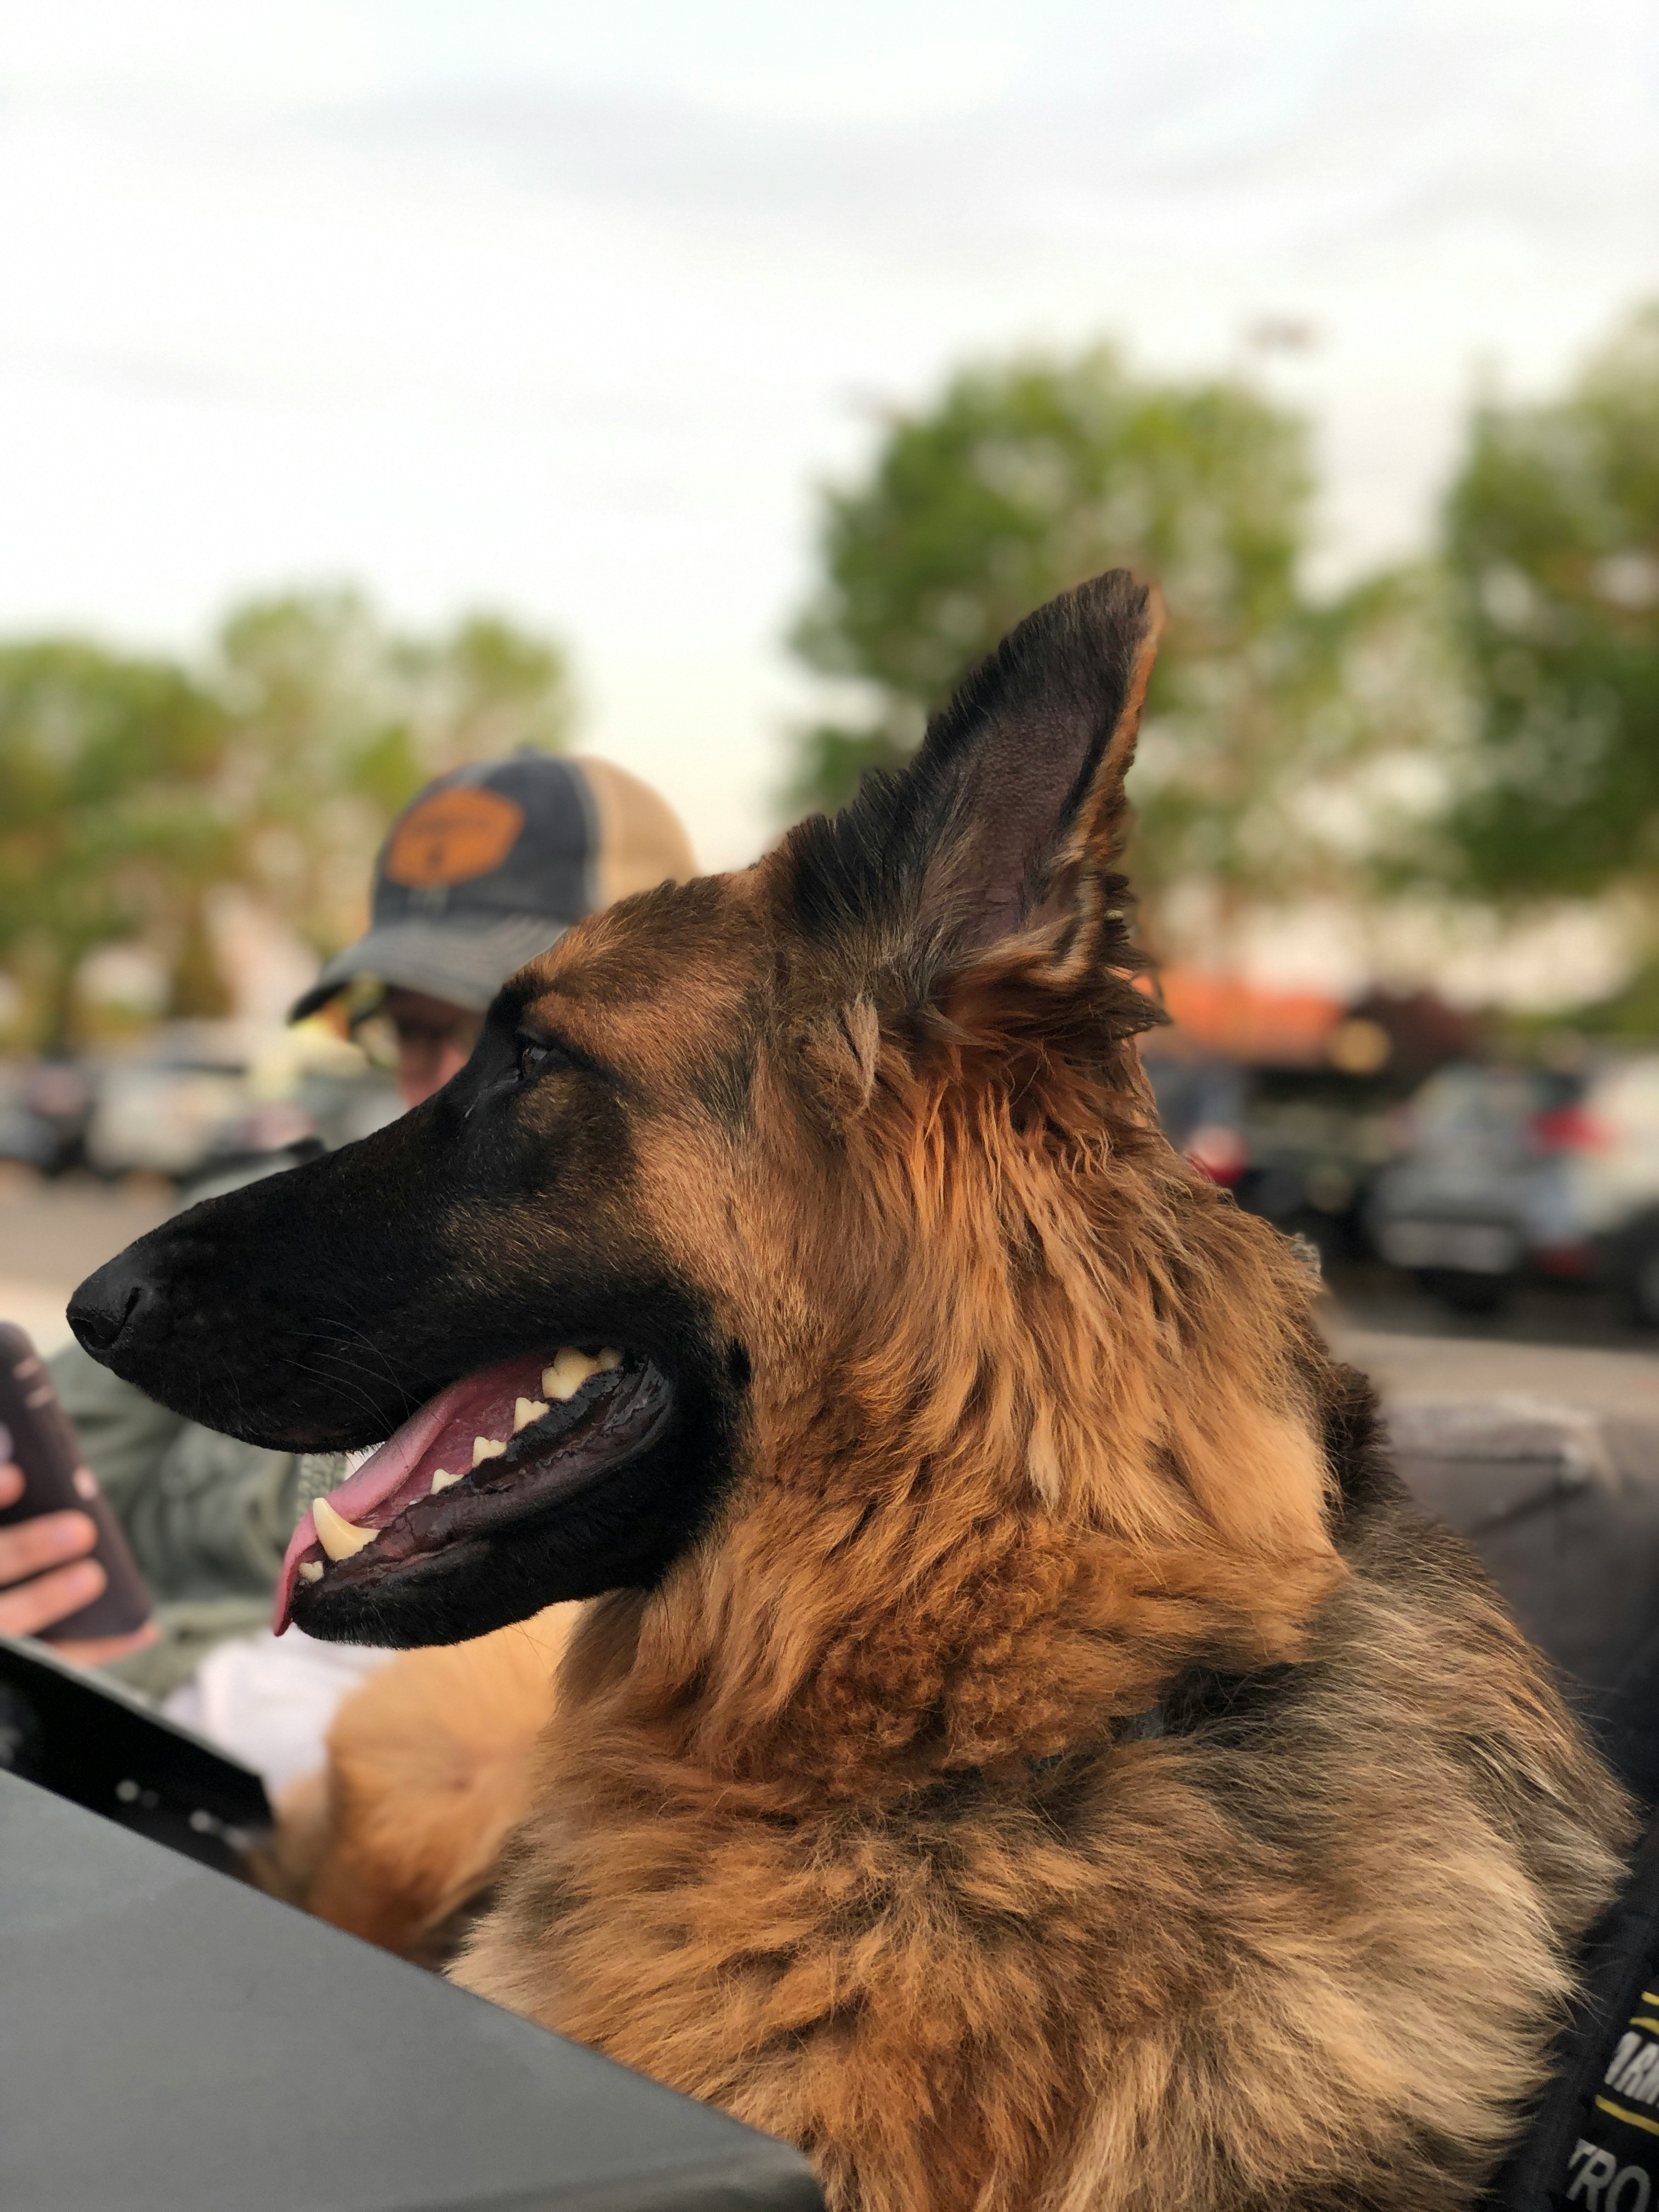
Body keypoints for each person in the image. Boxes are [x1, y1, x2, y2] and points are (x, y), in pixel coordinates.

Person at [1, 752, 695, 1729]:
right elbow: (63, 1452)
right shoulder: (256, 1229)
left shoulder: (687, 1360)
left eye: (519, 1050)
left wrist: (128, 1686)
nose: (445, 1081)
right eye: (415, 1033)